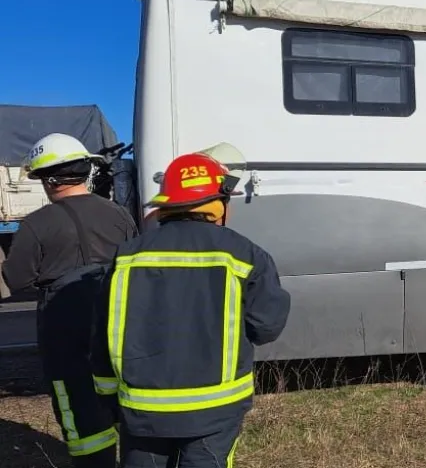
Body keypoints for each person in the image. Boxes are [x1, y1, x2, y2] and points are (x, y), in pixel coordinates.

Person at [90, 150, 291, 468]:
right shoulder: (245, 254)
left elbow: (102, 334)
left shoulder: (126, 256)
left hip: (142, 411)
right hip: (216, 410)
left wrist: (108, 399)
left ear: (166, 205)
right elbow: (266, 327)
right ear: (218, 204)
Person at [1, 133, 138, 467]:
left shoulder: (37, 223)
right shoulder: (118, 214)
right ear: (85, 170)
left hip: (63, 323)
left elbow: (16, 278)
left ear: (49, 180)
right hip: (118, 317)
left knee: (76, 397)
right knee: (123, 394)